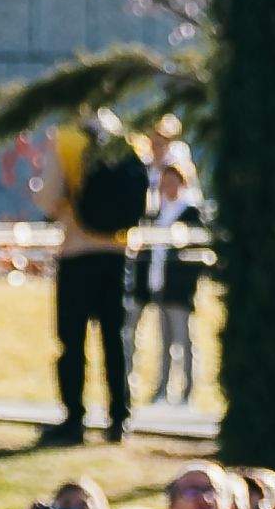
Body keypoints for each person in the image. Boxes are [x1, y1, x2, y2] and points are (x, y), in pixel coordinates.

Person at [39, 111, 143, 446]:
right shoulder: (127, 140)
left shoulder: (66, 140)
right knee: (115, 340)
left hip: (76, 250)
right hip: (117, 254)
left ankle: (74, 419)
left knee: (72, 341)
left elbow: (50, 199)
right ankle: (119, 418)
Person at [130, 122, 205, 415]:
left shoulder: (189, 211)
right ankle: (161, 389)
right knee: (163, 340)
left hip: (180, 285)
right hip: (157, 281)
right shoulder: (157, 212)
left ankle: (185, 393)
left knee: (183, 340)